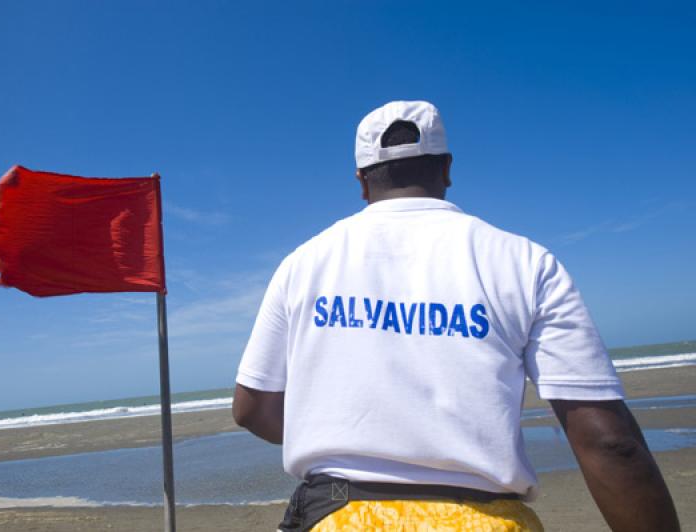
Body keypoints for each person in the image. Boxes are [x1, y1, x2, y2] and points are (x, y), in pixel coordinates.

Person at [232, 100, 679, 531]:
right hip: (485, 521)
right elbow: (609, 441)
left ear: (362, 182)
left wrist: (338, 432)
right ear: (446, 168)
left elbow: (252, 408)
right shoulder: (525, 262)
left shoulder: (303, 264)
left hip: (339, 516)